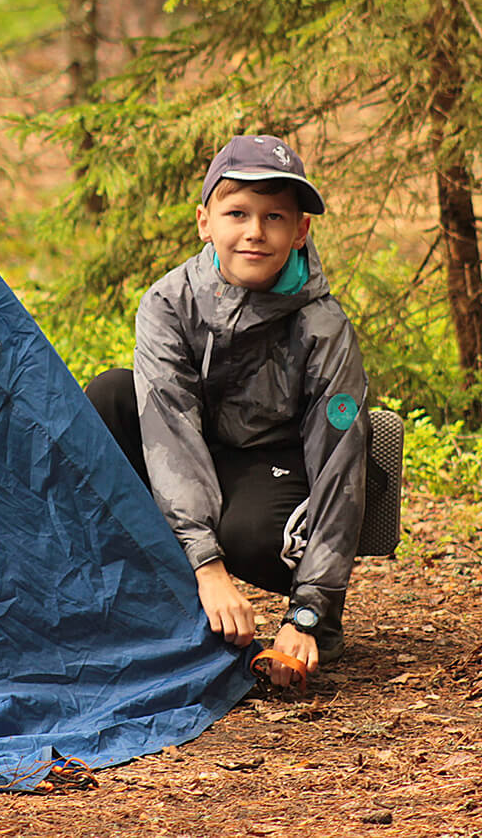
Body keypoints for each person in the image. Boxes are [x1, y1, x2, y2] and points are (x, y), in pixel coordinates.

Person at [86, 135, 367, 689]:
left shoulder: (324, 327)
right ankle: (131, 604)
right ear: (204, 221)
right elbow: (170, 429)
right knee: (110, 397)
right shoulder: (170, 303)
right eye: (236, 212)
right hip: (193, 453)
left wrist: (311, 611)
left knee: (249, 535)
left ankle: (310, 628)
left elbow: (340, 461)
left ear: (300, 230)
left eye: (274, 217)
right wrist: (206, 566)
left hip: (274, 469)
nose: (255, 232)